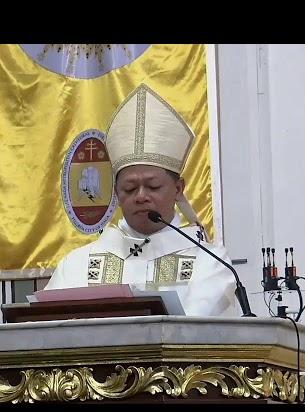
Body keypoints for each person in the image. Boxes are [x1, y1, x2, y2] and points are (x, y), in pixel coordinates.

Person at [45, 83, 237, 316]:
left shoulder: (210, 263)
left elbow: (190, 330)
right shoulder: (76, 265)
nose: (141, 196)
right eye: (130, 188)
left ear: (178, 189)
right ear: (116, 194)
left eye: (153, 186)